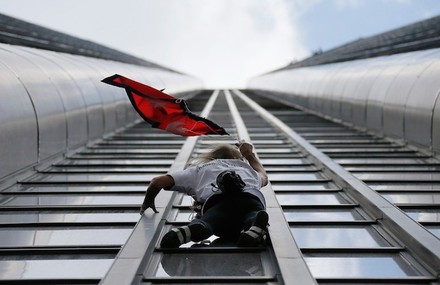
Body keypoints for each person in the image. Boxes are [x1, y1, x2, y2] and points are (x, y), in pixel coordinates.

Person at [140, 140, 269, 248]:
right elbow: (264, 176)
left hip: (218, 202)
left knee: (209, 222)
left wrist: (148, 201)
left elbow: (157, 182)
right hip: (249, 198)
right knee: (253, 214)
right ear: (238, 159)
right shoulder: (246, 169)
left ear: (212, 158)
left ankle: (194, 229)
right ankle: (254, 227)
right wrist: (249, 154)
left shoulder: (199, 170)